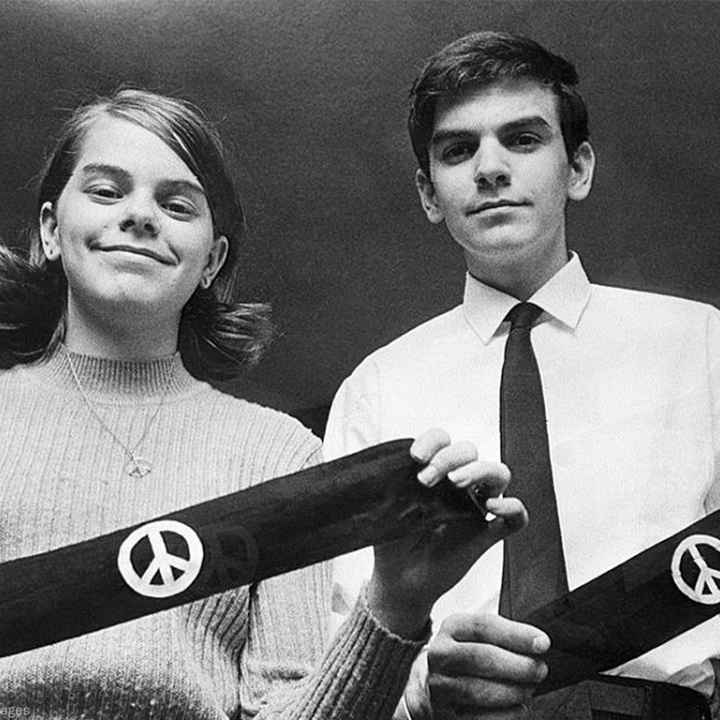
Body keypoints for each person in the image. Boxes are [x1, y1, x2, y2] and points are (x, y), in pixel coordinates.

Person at [0, 88, 528, 719]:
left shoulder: (280, 457)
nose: (141, 216)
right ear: (51, 230)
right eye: (108, 191)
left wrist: (395, 602)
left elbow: (282, 709)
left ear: (210, 261)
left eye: (176, 204)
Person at [324, 31, 720, 719]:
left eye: (524, 139)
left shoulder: (703, 345)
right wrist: (422, 689)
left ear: (579, 168)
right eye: (457, 150)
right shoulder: (377, 389)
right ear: (428, 192)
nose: (489, 168)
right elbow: (344, 639)